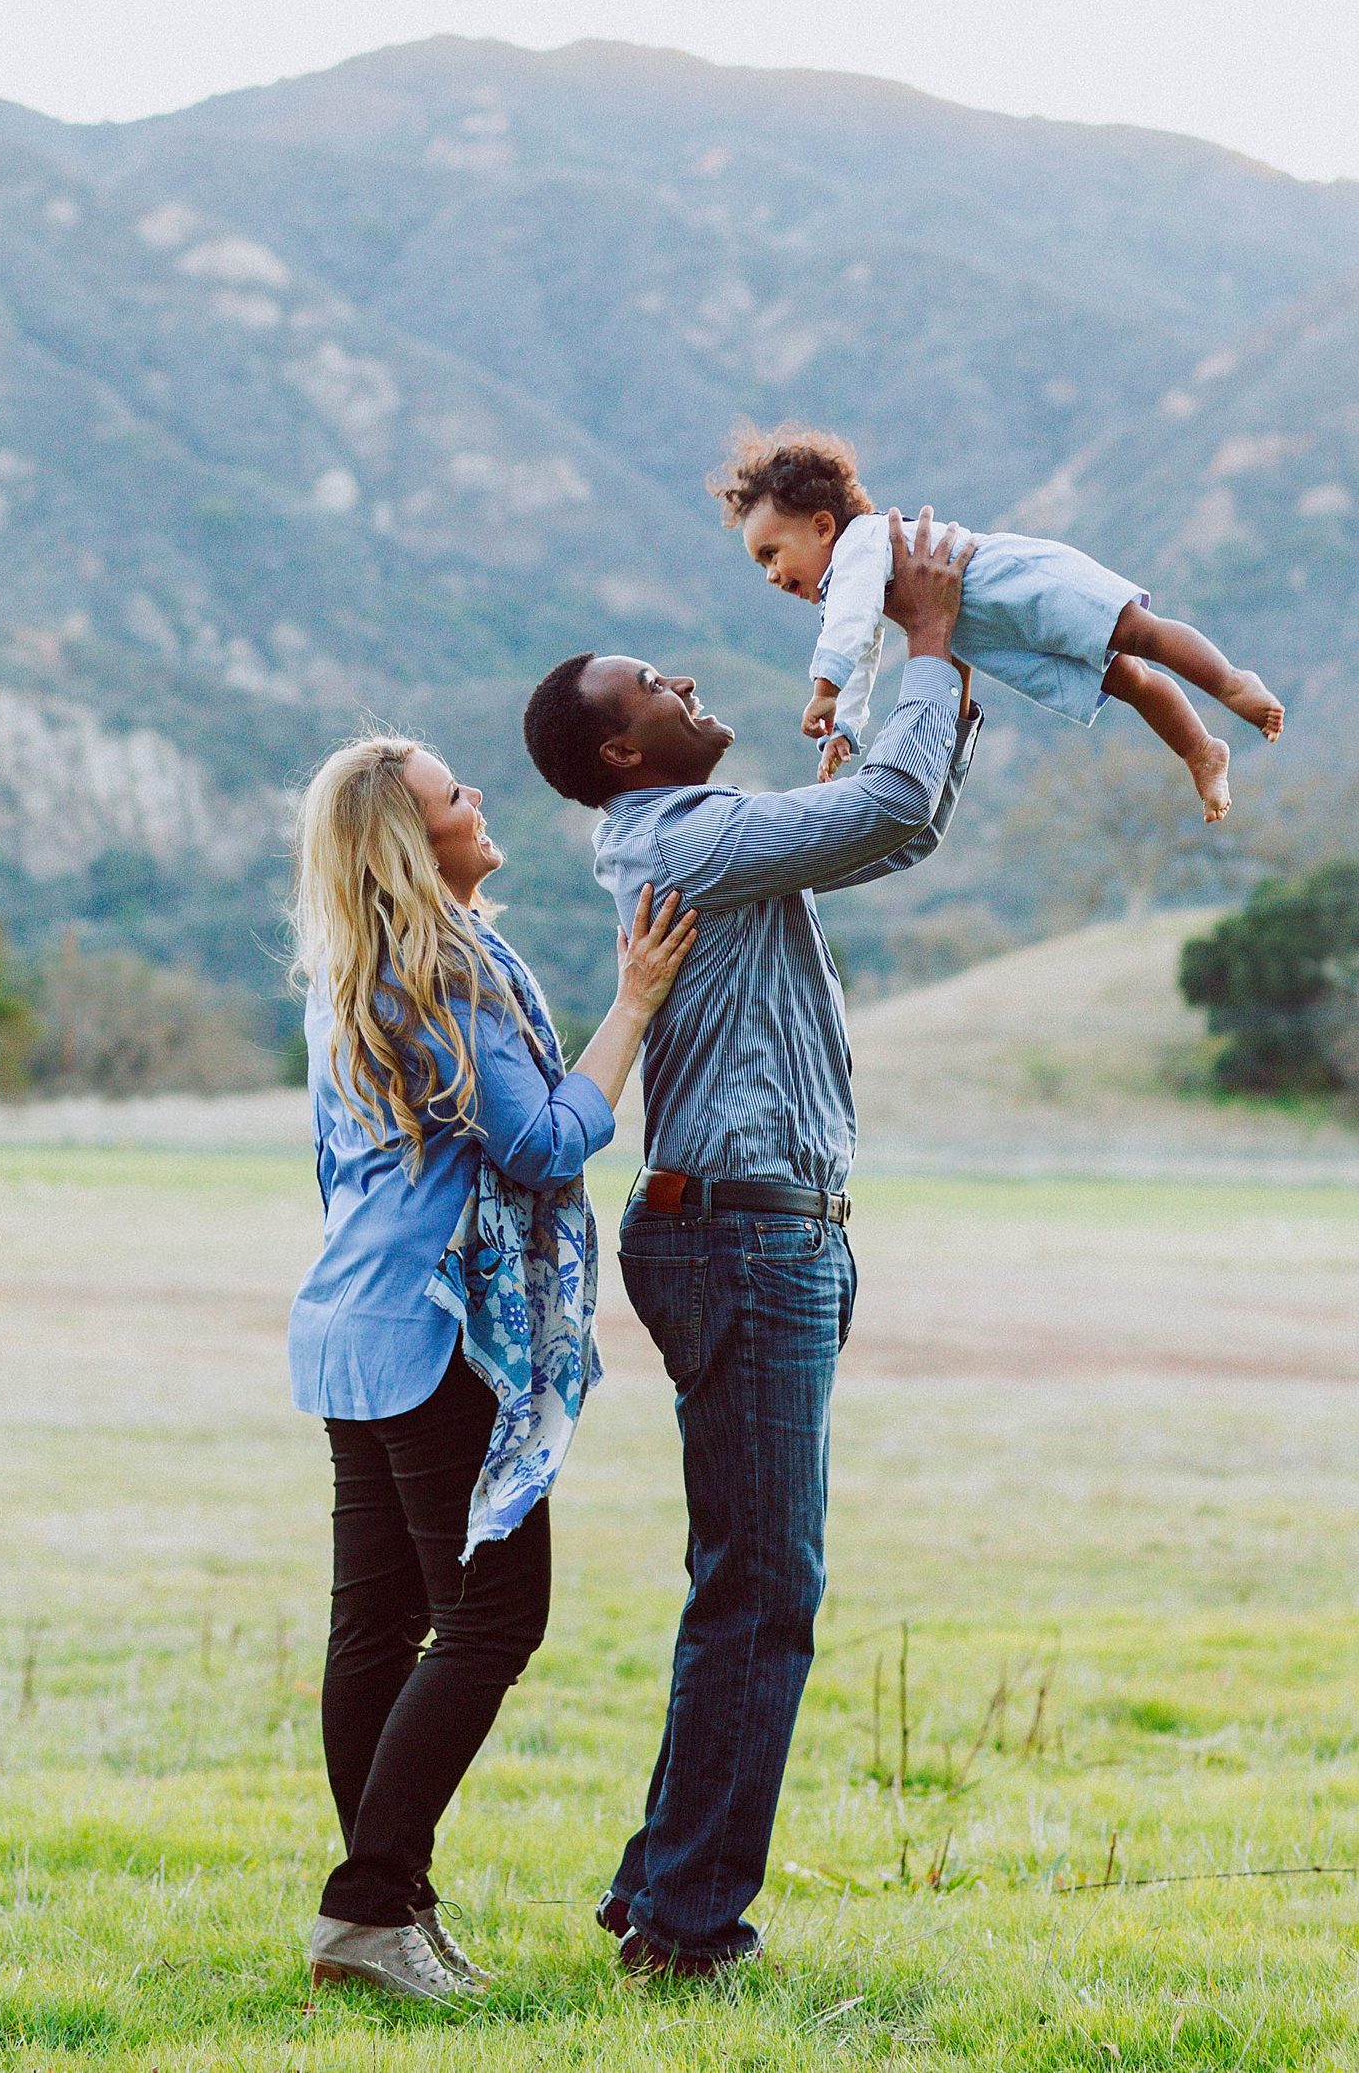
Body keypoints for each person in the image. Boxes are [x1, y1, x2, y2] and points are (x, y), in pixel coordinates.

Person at [520, 507, 981, 1980]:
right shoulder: (687, 840)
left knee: (748, 1576)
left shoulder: (701, 839)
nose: (690, 686)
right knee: (764, 1586)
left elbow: (880, 816)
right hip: (742, 1243)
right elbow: (893, 818)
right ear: (621, 753)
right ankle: (685, 1929)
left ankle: (662, 1890)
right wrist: (925, 639)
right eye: (660, 684)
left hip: (763, 1240)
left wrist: (929, 689)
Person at [287, 734, 695, 2005]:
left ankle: (390, 1906)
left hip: (351, 1323)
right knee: (493, 1618)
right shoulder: (442, 978)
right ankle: (365, 1906)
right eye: (454, 795)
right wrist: (633, 1005)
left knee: (378, 1626)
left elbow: (333, 1166)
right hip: (440, 1331)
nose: (479, 802)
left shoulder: (350, 977)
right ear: (417, 844)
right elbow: (542, 1144)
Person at [715, 420, 1282, 820]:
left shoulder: (862, 542)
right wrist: (845, 725)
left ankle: (1232, 682)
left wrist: (823, 690)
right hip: (995, 635)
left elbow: (848, 633)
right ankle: (1199, 749)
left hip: (1021, 585)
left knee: (1137, 632)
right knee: (1126, 678)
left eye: (772, 553)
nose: (770, 574)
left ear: (820, 526)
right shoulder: (852, 585)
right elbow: (861, 650)